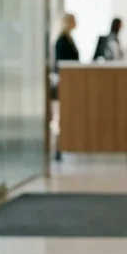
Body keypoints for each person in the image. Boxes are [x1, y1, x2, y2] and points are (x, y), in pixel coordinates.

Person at [51, 13, 80, 160]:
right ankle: (59, 148)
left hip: (68, 83)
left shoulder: (68, 39)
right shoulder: (62, 41)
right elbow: (61, 64)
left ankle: (63, 145)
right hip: (63, 83)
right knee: (60, 117)